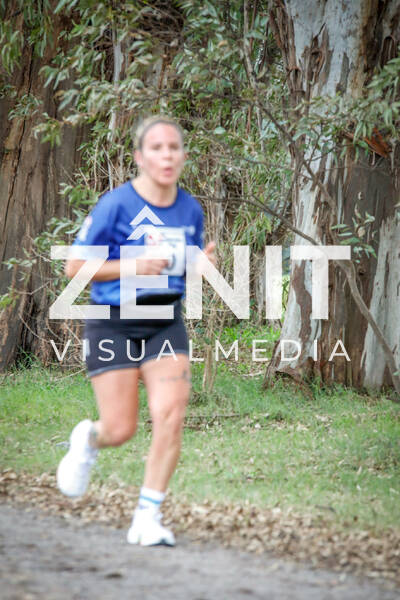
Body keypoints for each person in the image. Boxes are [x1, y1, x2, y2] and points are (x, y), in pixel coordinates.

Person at [56, 115, 216, 547]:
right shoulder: (115, 205)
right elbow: (74, 267)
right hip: (113, 321)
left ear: (183, 156)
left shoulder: (190, 209)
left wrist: (200, 265)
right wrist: (133, 265)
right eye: (157, 148)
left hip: (165, 321)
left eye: (173, 147)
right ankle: (89, 438)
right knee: (120, 429)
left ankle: (148, 517)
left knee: (171, 414)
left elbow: (181, 264)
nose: (167, 155)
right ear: (139, 157)